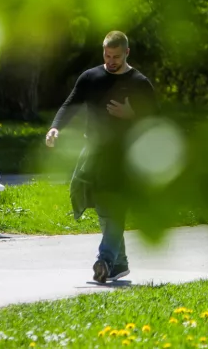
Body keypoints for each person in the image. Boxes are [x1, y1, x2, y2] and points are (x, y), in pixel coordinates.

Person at [45, 31, 157, 283]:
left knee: (114, 207)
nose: (111, 61)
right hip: (92, 151)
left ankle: (104, 260)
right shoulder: (91, 77)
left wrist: (132, 115)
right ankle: (120, 264)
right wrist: (55, 128)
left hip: (124, 156)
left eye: (116, 56)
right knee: (100, 206)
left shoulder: (139, 83)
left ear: (127, 53)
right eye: (107, 55)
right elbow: (70, 104)